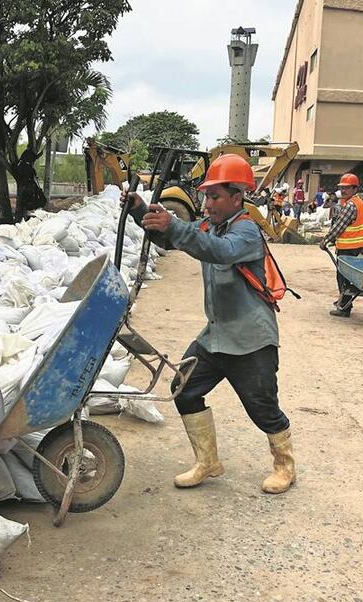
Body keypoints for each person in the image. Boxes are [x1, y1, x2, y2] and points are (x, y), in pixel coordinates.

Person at [121, 154, 295, 495]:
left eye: (215, 196)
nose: (207, 203)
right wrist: (141, 212)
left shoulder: (246, 232)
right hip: (215, 337)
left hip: (251, 340)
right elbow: (175, 238)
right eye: (206, 196)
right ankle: (208, 462)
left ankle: (285, 466)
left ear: (237, 197)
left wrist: (175, 225)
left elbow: (218, 251)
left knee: (263, 408)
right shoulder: (210, 227)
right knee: (184, 389)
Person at [318, 173, 363, 317]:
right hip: (359, 248)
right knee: (352, 277)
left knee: (343, 278)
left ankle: (344, 307)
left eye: (347, 188)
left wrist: (325, 241)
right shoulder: (360, 203)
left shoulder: (350, 206)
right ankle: (344, 301)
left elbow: (338, 227)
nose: (343, 190)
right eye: (342, 188)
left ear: (355, 189)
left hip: (348, 249)